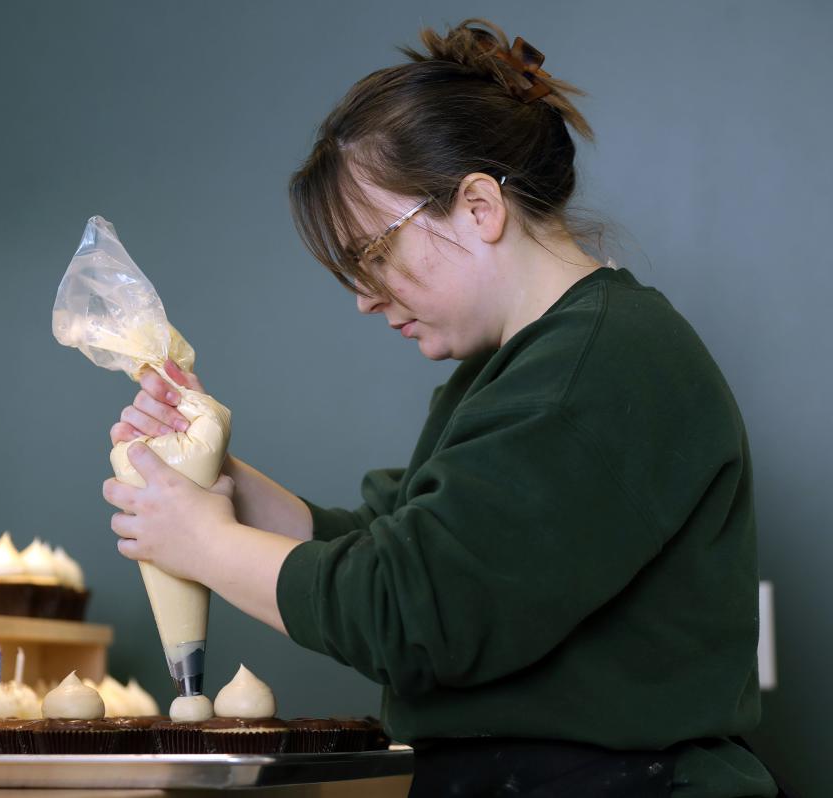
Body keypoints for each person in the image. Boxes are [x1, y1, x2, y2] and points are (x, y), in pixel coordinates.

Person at [101, 18, 778, 798]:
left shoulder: (597, 367)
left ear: (480, 207)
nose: (363, 296)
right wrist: (224, 484)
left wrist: (206, 546)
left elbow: (411, 611)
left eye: (374, 253)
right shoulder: (521, 367)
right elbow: (394, 551)